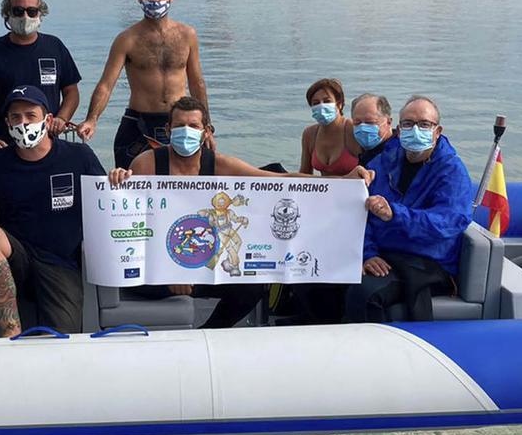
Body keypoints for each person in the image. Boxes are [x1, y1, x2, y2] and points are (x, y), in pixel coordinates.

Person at [108, 97, 372, 328]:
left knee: (254, 284)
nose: (185, 132)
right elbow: (134, 226)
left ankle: (210, 333)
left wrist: (342, 180)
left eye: (193, 126)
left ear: (206, 132)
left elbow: (281, 179)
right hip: (159, 268)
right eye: (179, 126)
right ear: (167, 129)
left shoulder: (221, 164)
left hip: (204, 264)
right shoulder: (146, 163)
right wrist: (118, 179)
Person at [0, 86, 105, 336]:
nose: (23, 123)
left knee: (62, 338)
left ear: (48, 119)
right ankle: (11, 333)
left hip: (60, 264)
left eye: (30, 116)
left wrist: (119, 180)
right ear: (7, 123)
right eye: (15, 117)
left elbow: (106, 202)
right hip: (15, 259)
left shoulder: (78, 157)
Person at [345, 96, 473, 323]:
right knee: (321, 280)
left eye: (424, 124)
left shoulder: (452, 171)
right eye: (408, 124)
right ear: (398, 128)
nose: (415, 129)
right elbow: (358, 215)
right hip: (383, 253)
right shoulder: (382, 163)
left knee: (365, 292)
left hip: (427, 261)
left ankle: (367, 354)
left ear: (437, 130)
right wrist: (367, 253)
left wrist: (394, 214)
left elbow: (449, 222)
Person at [76, 0, 211, 168]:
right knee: (129, 184)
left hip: (180, 123)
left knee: (184, 184)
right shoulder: (127, 39)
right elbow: (106, 85)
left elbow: (197, 82)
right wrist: (91, 119)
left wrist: (207, 126)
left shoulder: (187, 35)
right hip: (139, 123)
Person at [0, 0, 82, 152]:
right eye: (18, 11)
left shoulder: (55, 47)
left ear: (40, 13)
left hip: (48, 143)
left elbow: (71, 92)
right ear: (7, 14)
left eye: (31, 11)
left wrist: (62, 118)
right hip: (4, 145)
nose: (25, 16)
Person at [299, 78, 360, 176]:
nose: (322, 106)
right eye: (316, 103)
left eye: (327, 101)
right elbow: (304, 173)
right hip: (325, 190)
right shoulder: (309, 134)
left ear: (339, 104)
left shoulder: (353, 129)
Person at [350, 93, 395, 167]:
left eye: (370, 122)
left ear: (388, 122)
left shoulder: (397, 152)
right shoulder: (364, 150)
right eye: (357, 122)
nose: (363, 128)